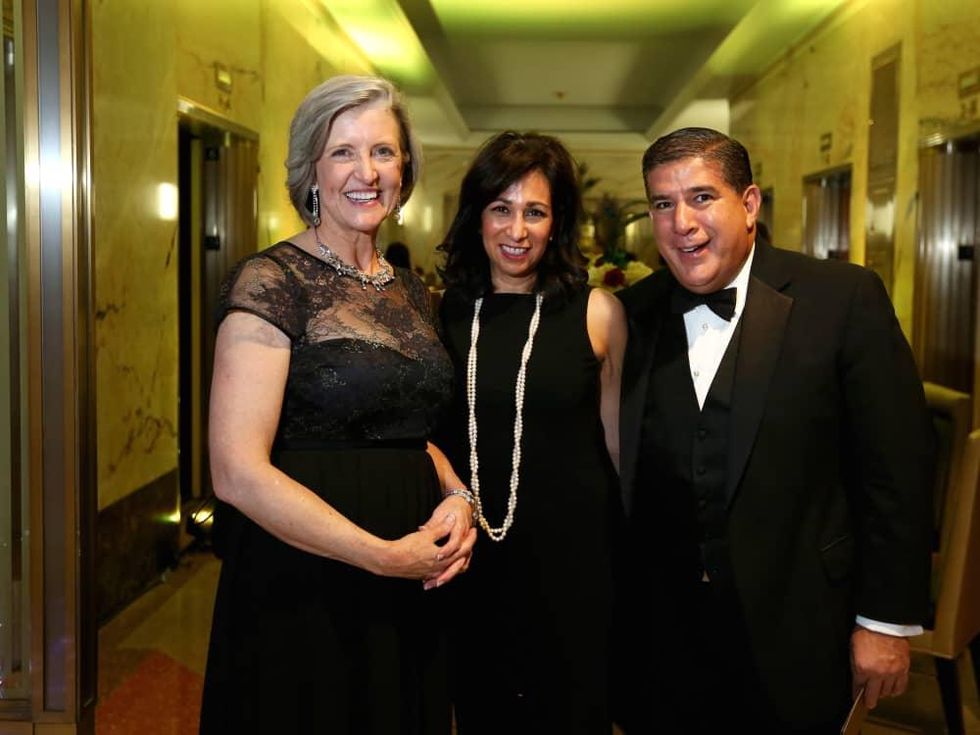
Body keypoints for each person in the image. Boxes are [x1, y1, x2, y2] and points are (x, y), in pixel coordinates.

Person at [614, 127, 933, 733]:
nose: (682, 221)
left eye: (702, 197)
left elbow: (897, 468)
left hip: (800, 622)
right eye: (662, 203)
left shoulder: (842, 298)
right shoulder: (633, 311)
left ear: (751, 203)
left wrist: (884, 622)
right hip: (666, 635)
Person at [199, 75, 476, 734]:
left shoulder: (410, 290)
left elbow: (403, 429)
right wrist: (380, 554)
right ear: (312, 171)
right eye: (343, 151)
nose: (366, 171)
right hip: (306, 584)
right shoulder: (272, 281)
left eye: (382, 152)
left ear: (405, 170)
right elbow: (235, 469)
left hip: (409, 587)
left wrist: (459, 494)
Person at [436, 131, 627, 733]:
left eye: (535, 212)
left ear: (558, 222)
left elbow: (621, 451)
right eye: (501, 209)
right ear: (477, 216)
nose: (516, 230)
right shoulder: (438, 313)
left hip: (573, 568)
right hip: (468, 561)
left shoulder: (597, 313)